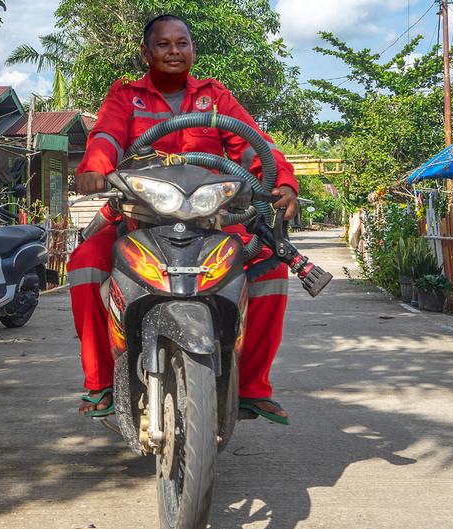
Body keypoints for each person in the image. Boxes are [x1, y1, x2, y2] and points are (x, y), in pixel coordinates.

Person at [69, 14, 300, 424]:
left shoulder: (214, 97)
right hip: (140, 217)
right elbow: (106, 134)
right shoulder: (126, 95)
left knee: (268, 267)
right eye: (163, 44)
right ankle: (101, 383)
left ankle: (251, 388)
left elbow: (251, 143)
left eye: (182, 43)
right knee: (85, 263)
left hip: (209, 218)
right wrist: (95, 166)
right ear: (146, 52)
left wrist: (282, 180)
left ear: (193, 49)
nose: (174, 51)